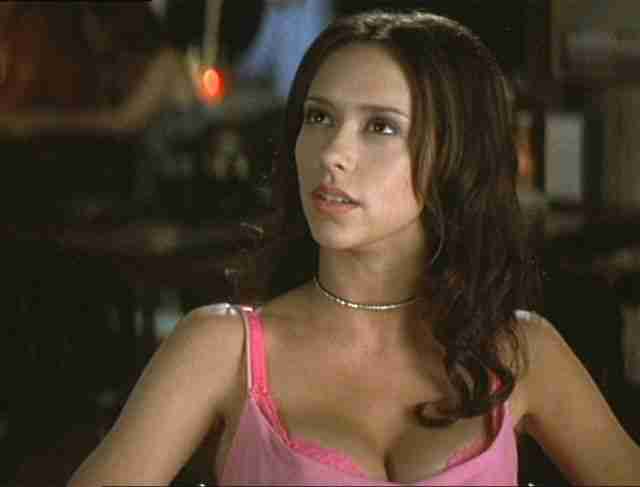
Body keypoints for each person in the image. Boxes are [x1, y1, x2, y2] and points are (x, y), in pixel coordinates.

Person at [68, 10, 640, 486]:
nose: (332, 153)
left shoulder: (520, 351)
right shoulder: (221, 350)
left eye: (380, 127)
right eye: (319, 117)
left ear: (453, 155)